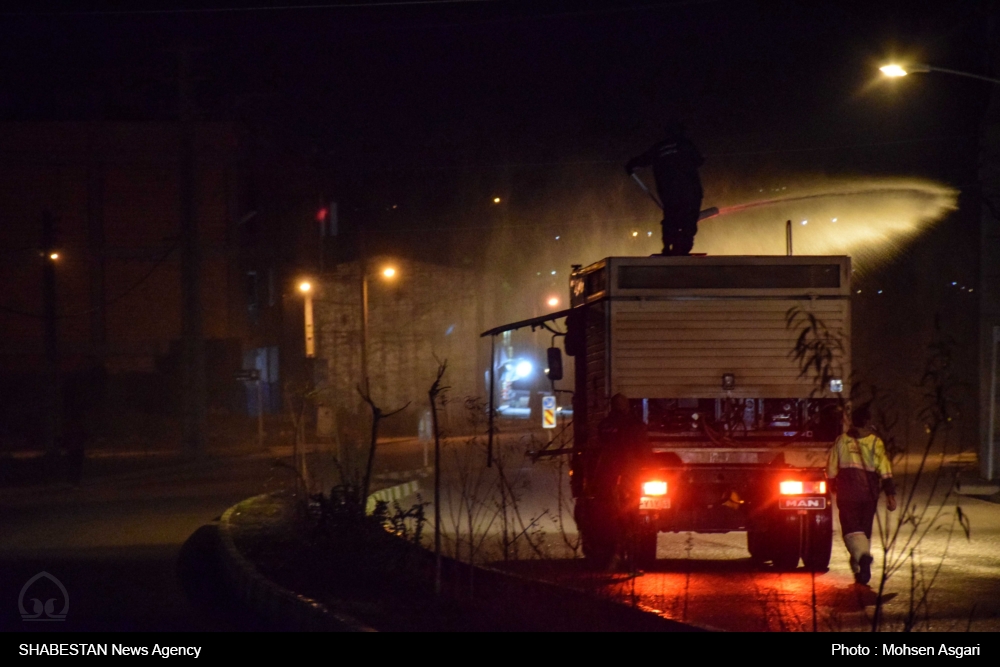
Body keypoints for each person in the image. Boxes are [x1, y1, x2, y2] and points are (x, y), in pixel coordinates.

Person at [827, 403, 897, 585]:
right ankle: (863, 569)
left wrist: (831, 484)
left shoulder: (841, 441)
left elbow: (831, 468)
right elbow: (885, 470)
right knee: (864, 531)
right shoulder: (875, 442)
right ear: (867, 421)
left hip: (847, 493)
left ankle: (863, 559)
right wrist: (890, 494)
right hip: (869, 494)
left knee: (850, 531)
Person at [625, 121, 705, 256]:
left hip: (669, 193)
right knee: (688, 220)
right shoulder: (686, 144)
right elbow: (699, 161)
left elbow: (641, 161)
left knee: (671, 219)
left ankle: (668, 246)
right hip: (691, 192)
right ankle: (683, 248)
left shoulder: (659, 148)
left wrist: (630, 166)